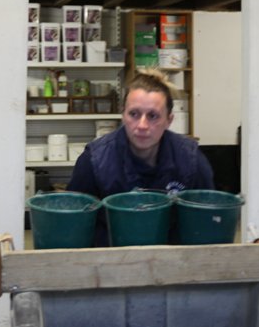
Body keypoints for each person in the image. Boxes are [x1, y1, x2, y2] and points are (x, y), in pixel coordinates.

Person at [67, 68, 214, 246]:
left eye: (153, 116)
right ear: (123, 115)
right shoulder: (94, 161)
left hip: (172, 258)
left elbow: (207, 224)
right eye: (134, 114)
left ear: (169, 120)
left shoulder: (191, 161)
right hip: (112, 256)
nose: (142, 125)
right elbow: (74, 226)